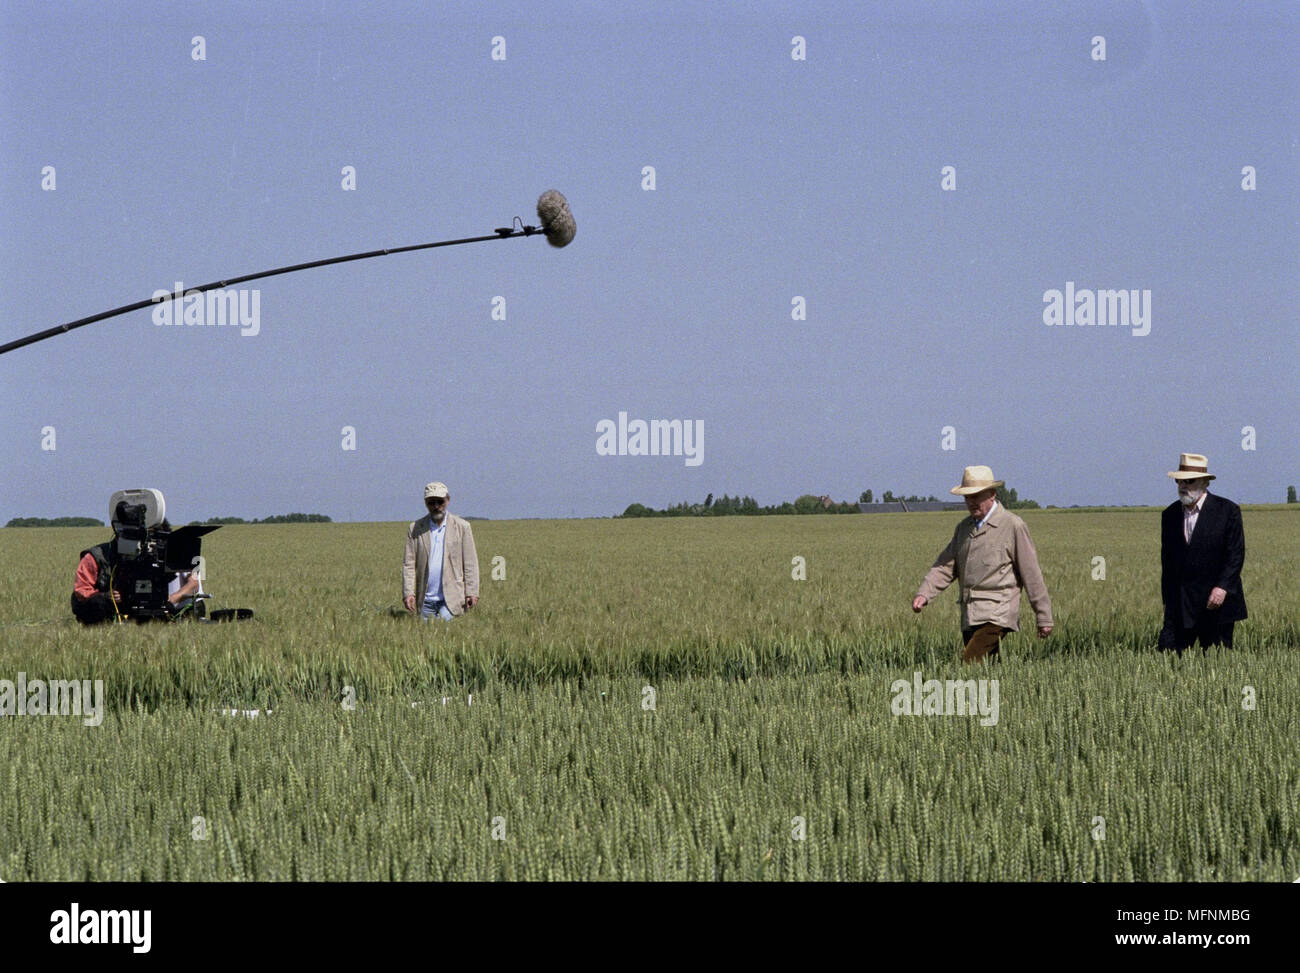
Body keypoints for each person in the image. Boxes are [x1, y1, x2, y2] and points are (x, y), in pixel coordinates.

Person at [911, 465, 1053, 662]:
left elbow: (1032, 574)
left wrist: (1043, 617)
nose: (971, 502)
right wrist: (924, 593)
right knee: (986, 672)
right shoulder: (963, 528)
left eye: (976, 496)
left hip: (998, 614)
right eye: (967, 497)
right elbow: (945, 566)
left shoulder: (1012, 526)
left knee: (969, 662)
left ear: (992, 494)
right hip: (970, 614)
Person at [1159, 453, 1246, 653]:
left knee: (1218, 662)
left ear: (1205, 482)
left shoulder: (1227, 510)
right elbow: (1167, 563)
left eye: (1189, 481)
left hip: (1216, 604)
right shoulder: (1169, 515)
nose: (1182, 486)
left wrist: (1222, 587)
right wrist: (1167, 600)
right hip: (1181, 605)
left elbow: (1235, 554)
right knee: (1168, 660)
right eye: (1179, 481)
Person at [71, 519, 200, 624]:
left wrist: (171, 600)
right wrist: (106, 596)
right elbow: (81, 590)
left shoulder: (186, 551)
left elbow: (194, 584)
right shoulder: (100, 556)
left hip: (181, 607)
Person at [402, 481, 479, 621]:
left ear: (448, 500)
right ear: (426, 503)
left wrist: (472, 592)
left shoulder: (462, 527)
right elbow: (409, 564)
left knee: (445, 629)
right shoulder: (415, 528)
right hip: (425, 600)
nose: (436, 506)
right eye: (432, 502)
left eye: (440, 501)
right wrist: (409, 593)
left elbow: (470, 562)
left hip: (452, 599)